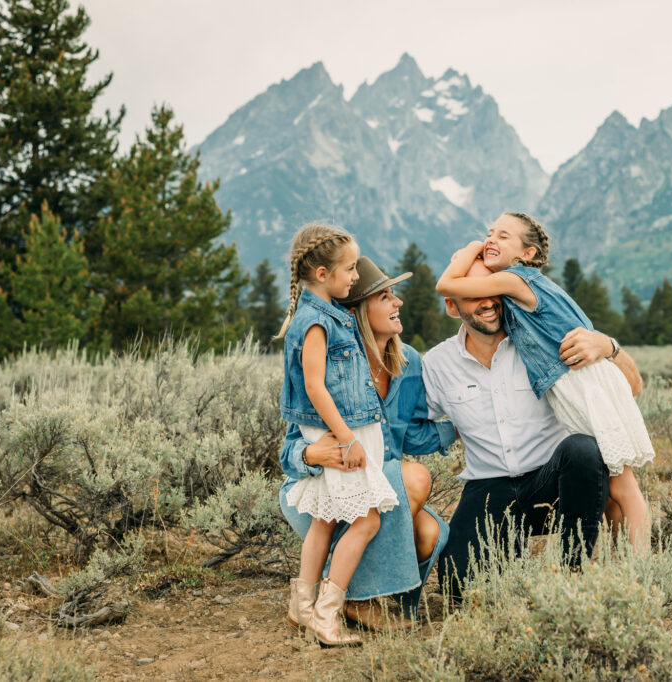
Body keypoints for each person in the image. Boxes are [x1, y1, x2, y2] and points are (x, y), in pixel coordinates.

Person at [424, 257, 644, 603]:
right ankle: (508, 552)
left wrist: (608, 346)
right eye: (475, 294)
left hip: (554, 482)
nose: (489, 300)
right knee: (458, 589)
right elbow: (411, 426)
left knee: (584, 449)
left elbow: (632, 386)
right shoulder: (436, 365)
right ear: (452, 306)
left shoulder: (542, 343)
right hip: (488, 488)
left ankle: (572, 578)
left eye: (495, 288)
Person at [435, 212, 654, 548]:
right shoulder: (441, 360)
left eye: (503, 235)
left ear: (528, 254)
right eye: (490, 232)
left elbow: (446, 284)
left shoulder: (516, 281)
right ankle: (630, 563)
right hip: (493, 483)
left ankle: (630, 567)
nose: (492, 239)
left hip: (580, 394)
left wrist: (471, 248)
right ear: (454, 309)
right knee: (617, 482)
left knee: (616, 480)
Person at [279, 257, 455, 630]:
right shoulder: (337, 363)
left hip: (374, 485)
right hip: (324, 488)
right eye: (385, 296)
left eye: (395, 295)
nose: (398, 303)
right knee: (415, 480)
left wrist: (463, 424)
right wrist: (312, 453)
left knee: (431, 533)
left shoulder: (409, 362)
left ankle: (361, 596)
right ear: (358, 310)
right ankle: (352, 601)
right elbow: (290, 450)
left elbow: (417, 435)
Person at [276, 224, 396, 647]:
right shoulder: (314, 321)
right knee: (366, 520)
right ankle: (327, 615)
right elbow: (314, 386)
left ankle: (301, 606)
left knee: (325, 521)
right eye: (348, 269)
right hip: (339, 433)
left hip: (343, 430)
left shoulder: (327, 315)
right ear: (323, 273)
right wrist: (346, 438)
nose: (355, 278)